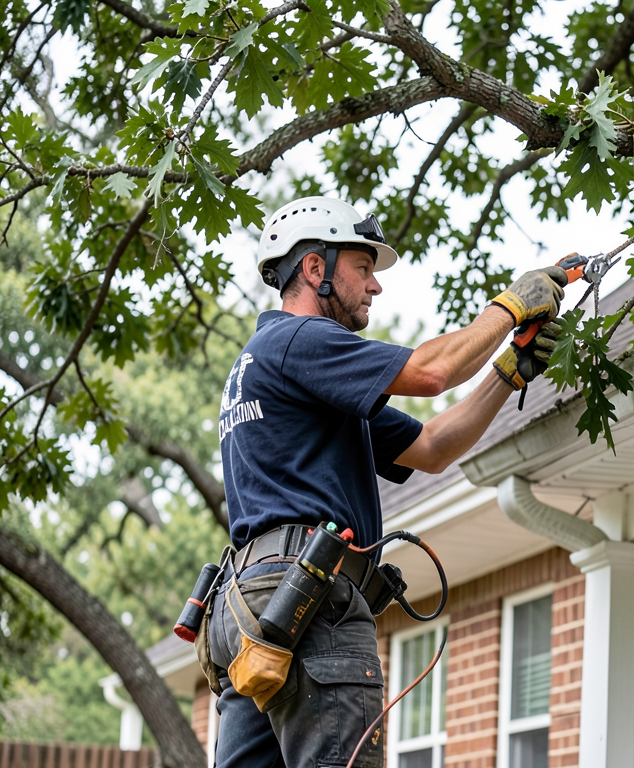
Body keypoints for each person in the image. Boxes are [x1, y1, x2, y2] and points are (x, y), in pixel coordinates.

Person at [206, 196, 568, 768]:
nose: (375, 286)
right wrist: (508, 307)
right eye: (364, 267)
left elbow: (430, 448)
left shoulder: (289, 371)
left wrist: (508, 371)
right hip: (306, 604)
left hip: (255, 613)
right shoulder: (299, 341)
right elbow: (431, 372)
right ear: (315, 268)